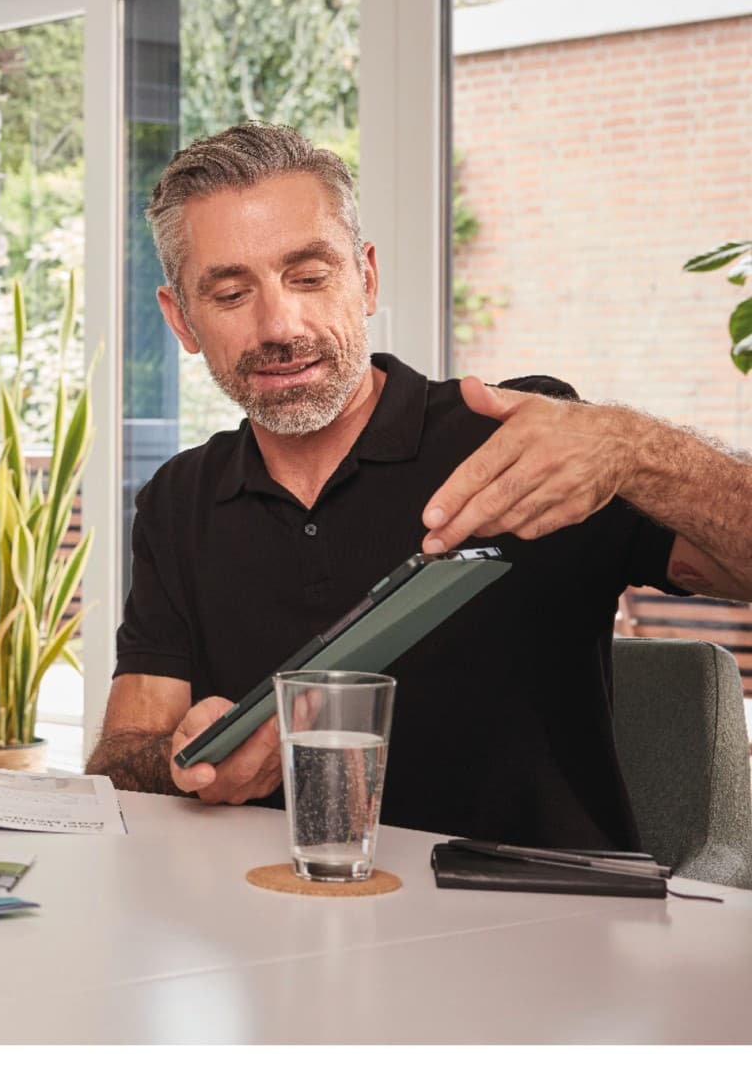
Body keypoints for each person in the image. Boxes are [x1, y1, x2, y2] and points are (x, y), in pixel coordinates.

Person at [86, 121, 752, 848]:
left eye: (310, 277)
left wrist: (638, 450)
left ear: (365, 278)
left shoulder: (521, 435)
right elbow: (123, 757)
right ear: (181, 319)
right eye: (231, 293)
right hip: (286, 922)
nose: (279, 324)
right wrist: (187, 758)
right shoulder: (180, 498)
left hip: (546, 929)